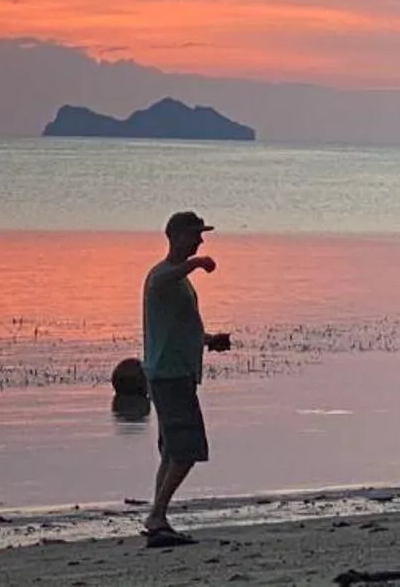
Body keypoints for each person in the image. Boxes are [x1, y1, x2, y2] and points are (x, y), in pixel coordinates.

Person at [139, 209, 230, 546]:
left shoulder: (179, 279)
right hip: (168, 374)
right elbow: (160, 281)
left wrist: (209, 341)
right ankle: (157, 514)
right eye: (196, 234)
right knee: (187, 449)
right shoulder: (163, 276)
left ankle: (158, 518)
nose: (200, 240)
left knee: (172, 451)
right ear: (177, 237)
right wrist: (196, 263)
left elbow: (181, 327)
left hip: (178, 373)